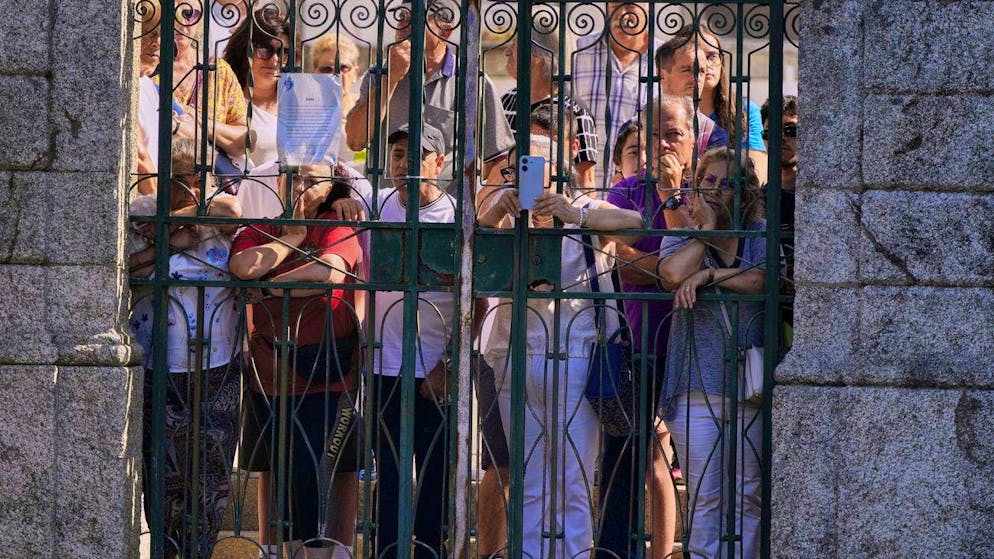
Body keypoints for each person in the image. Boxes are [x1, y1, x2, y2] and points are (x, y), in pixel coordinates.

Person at [481, 137, 642, 559]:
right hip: (516, 356)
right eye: (516, 169)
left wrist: (575, 213)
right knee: (529, 477)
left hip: (579, 356)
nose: (525, 177)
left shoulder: (586, 208)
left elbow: (637, 223)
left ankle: (572, 553)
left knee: (572, 477)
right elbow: (470, 250)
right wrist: (500, 208)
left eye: (535, 167)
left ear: (560, 168)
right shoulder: (505, 214)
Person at [229, 165, 362, 559]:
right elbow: (241, 267)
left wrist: (268, 285)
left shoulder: (338, 223)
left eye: (313, 178)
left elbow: (329, 271)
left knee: (332, 468)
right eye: (294, 176)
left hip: (329, 369)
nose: (302, 185)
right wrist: (293, 238)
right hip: (270, 371)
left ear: (330, 186)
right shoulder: (260, 228)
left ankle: (330, 552)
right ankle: (273, 550)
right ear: (278, 182)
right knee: (273, 465)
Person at [600, 96, 704, 559]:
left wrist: (671, 196)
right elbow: (615, 259)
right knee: (623, 460)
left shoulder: (710, 187)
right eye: (653, 136)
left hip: (694, 346)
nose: (662, 145)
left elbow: (694, 243)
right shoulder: (624, 192)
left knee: (698, 462)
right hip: (637, 344)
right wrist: (666, 269)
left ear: (694, 138)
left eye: (673, 134)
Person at [130, 137, 243, 559]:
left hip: (218, 364)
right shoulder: (143, 212)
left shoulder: (220, 208)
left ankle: (200, 551)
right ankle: (167, 548)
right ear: (166, 179)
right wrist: (173, 242)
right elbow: (127, 270)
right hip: (160, 363)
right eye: (184, 178)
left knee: (211, 469)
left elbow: (232, 213)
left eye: (201, 176)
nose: (196, 185)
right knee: (161, 468)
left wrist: (179, 219)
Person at [654, 147, 768, 559]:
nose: (718, 191)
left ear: (746, 192)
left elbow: (768, 281)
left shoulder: (760, 234)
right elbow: (669, 275)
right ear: (696, 187)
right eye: (710, 182)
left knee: (748, 498)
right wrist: (703, 233)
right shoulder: (683, 235)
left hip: (749, 389)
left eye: (730, 184)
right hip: (695, 390)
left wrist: (711, 275)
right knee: (705, 499)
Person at [367, 122, 457, 559]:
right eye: (398, 155)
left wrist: (448, 365)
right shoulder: (377, 205)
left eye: (416, 155)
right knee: (389, 476)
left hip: (435, 371)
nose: (404, 165)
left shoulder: (456, 216)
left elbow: (473, 302)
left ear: (439, 163)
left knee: (435, 478)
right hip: (384, 367)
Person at [344, 0, 514, 184]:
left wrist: (484, 204)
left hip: (447, 208)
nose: (404, 27)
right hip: (386, 205)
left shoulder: (471, 81)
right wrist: (390, 78)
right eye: (401, 18)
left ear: (445, 31)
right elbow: (355, 141)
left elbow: (499, 158)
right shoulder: (378, 74)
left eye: (415, 19)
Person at [655, 24, 768, 182]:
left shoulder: (745, 110)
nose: (705, 64)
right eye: (696, 55)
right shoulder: (657, 114)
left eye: (711, 56)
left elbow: (756, 175)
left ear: (721, 61)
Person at [499, 24, 599, 188]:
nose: (507, 51)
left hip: (554, 209)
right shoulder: (507, 100)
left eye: (516, 43)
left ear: (537, 54)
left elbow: (585, 184)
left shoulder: (575, 111)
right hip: (508, 207)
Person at [571, 2, 658, 190]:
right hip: (582, 191)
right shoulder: (579, 50)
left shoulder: (662, 59)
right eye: (615, 6)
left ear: (649, 8)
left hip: (640, 193)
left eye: (630, 6)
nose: (622, 14)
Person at [222, 6, 291, 169]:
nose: (275, 59)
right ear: (244, 50)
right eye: (265, 49)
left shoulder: (296, 103)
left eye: (284, 52)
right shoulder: (223, 98)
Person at [762, 94, 798, 352]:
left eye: (791, 130)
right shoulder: (755, 200)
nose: (780, 138)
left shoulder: (821, 199)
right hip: (767, 313)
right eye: (770, 132)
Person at [309, 34, 364, 167]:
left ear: (355, 73)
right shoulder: (305, 113)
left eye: (343, 68)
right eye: (326, 69)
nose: (336, 74)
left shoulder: (366, 110)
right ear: (315, 74)